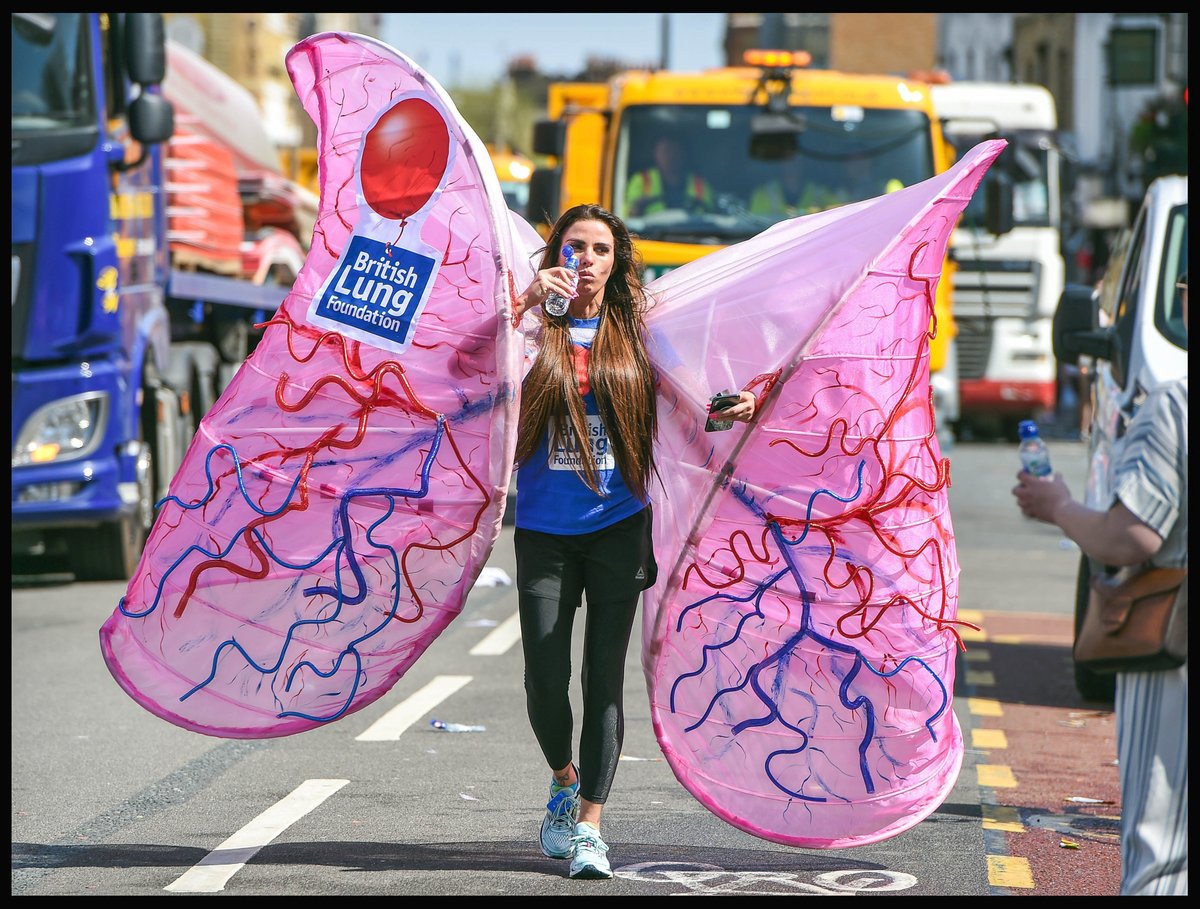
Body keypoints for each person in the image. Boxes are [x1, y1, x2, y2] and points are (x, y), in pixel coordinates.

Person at [511, 204, 758, 879]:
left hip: (619, 527)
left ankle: (590, 822)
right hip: (542, 530)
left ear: (615, 262)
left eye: (598, 248)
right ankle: (563, 778)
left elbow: (693, 401)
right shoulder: (532, 331)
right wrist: (527, 310)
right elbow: (476, 371)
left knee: (603, 681)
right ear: (554, 256)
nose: (585, 259)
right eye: (573, 247)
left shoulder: (641, 336)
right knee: (544, 676)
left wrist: (734, 405)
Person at [1011, 272, 1187, 896]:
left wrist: (1057, 506)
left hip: (1173, 651)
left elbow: (1129, 537)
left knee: (1164, 850)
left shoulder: (1176, 403)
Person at [624, 136, 714, 218]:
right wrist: (637, 208)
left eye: (676, 151)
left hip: (695, 234)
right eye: (666, 151)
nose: (671, 156)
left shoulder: (700, 185)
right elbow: (627, 216)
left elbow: (710, 216)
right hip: (648, 235)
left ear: (685, 155)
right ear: (655, 154)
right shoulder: (641, 181)